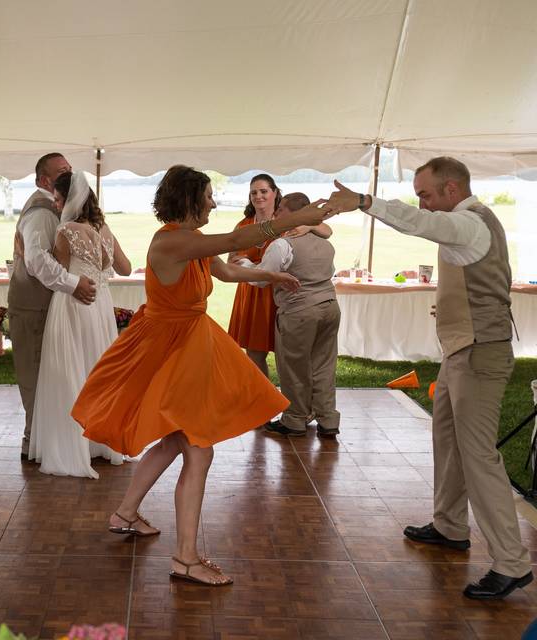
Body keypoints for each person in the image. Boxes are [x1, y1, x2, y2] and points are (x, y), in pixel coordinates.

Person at [72, 165, 327, 586]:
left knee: (177, 437)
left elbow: (225, 270)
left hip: (187, 342)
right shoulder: (173, 241)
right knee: (198, 447)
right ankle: (185, 559)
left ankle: (125, 514)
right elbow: (234, 241)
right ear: (191, 199)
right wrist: (298, 218)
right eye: (208, 195)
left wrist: (270, 274)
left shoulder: (192, 244)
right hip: (169, 347)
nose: (213, 201)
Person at [325, 157, 532, 600]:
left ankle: (512, 562)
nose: (423, 202)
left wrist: (364, 201)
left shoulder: (471, 223)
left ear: (452, 189)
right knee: (448, 439)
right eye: (420, 194)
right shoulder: (467, 221)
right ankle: (450, 525)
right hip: (463, 351)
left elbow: (416, 223)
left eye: (427, 193)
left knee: (478, 456)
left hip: (481, 355)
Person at [28, 171, 131, 477]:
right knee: (96, 370)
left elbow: (58, 273)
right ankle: (100, 443)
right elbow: (124, 268)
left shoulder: (65, 231)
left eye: (58, 199)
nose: (57, 206)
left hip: (73, 306)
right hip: (100, 307)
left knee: (68, 371)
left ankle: (72, 446)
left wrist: (34, 257)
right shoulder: (104, 228)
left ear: (69, 198)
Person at [8, 153, 97, 459]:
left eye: (70, 169)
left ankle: (52, 439)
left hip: (49, 304)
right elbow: (36, 260)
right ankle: (34, 442)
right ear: (43, 181)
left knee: (55, 373)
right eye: (61, 171)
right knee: (34, 373)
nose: (68, 174)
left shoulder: (60, 210)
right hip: (33, 305)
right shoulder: (42, 211)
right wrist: (74, 283)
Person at [236, 193, 341, 438]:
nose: (276, 213)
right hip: (330, 306)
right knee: (324, 365)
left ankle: (295, 418)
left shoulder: (283, 244)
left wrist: (243, 264)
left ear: (291, 213)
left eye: (281, 209)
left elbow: (263, 279)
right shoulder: (325, 242)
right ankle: (328, 419)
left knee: (293, 366)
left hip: (299, 310)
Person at [227, 174, 332, 382]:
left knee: (288, 353)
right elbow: (231, 260)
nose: (258, 196)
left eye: (263, 191)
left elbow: (327, 230)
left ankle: (295, 404)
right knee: (254, 354)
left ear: (275, 193)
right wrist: (242, 263)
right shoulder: (244, 225)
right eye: (254, 192)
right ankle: (264, 403)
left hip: (281, 292)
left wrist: (309, 225)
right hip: (251, 294)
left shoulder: (286, 221)